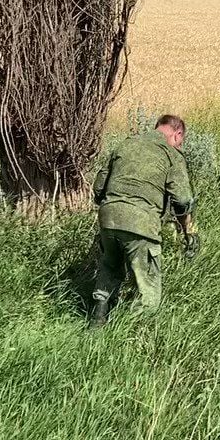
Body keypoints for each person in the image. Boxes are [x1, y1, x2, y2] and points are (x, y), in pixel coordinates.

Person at [88, 114, 198, 327]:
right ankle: (133, 335)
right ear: (178, 134)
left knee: (110, 266)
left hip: (108, 218)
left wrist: (112, 207)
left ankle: (98, 320)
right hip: (142, 223)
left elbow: (99, 185)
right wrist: (189, 231)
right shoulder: (171, 154)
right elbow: (183, 200)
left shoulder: (126, 144)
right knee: (148, 287)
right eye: (181, 141)